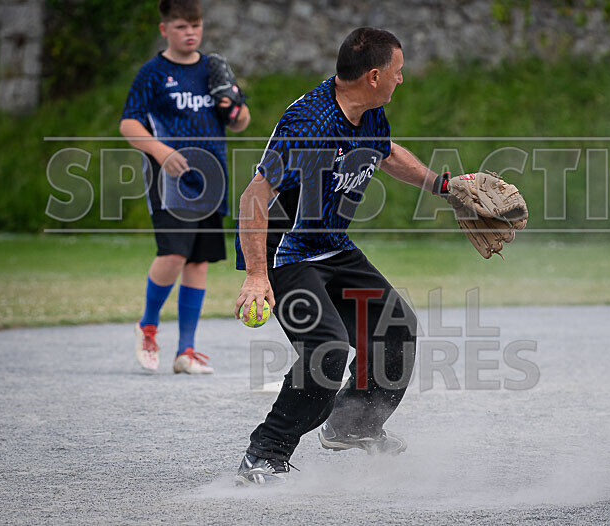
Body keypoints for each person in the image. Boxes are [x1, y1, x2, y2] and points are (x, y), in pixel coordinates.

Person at [234, 27, 451, 486]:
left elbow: (384, 153)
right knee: (326, 350)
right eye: (398, 71)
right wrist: (256, 276)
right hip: (285, 251)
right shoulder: (309, 122)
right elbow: (254, 196)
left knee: (397, 329)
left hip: (331, 244)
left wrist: (442, 187)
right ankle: (264, 453)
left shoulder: (369, 113)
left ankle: (353, 424)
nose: (401, 80)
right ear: (374, 76)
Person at [119, 0, 250, 374]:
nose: (189, 32)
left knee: (198, 262)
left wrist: (237, 110)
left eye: (195, 25)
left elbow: (239, 121)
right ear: (165, 30)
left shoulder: (213, 68)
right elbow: (129, 124)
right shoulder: (153, 73)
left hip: (211, 178)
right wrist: (160, 152)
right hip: (171, 179)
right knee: (174, 254)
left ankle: (186, 351)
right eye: (180, 26)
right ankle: (147, 325)